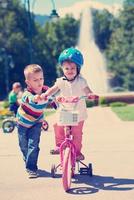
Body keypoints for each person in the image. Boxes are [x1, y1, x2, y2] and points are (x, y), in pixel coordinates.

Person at [41, 47, 98, 161]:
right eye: (67, 68)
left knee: (76, 134)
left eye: (73, 68)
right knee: (58, 127)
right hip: (65, 111)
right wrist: (46, 94)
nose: (70, 70)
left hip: (79, 112)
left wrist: (90, 94)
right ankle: (59, 145)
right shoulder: (60, 81)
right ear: (62, 69)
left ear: (78, 68)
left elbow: (87, 90)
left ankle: (77, 153)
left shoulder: (81, 81)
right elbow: (53, 89)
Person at [17, 64, 55, 178]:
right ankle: (28, 160)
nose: (39, 82)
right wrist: (35, 98)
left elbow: (53, 100)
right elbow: (29, 99)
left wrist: (57, 105)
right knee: (23, 146)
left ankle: (31, 168)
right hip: (22, 123)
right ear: (28, 83)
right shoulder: (27, 94)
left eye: (41, 78)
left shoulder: (46, 91)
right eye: (35, 80)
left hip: (36, 123)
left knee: (33, 145)